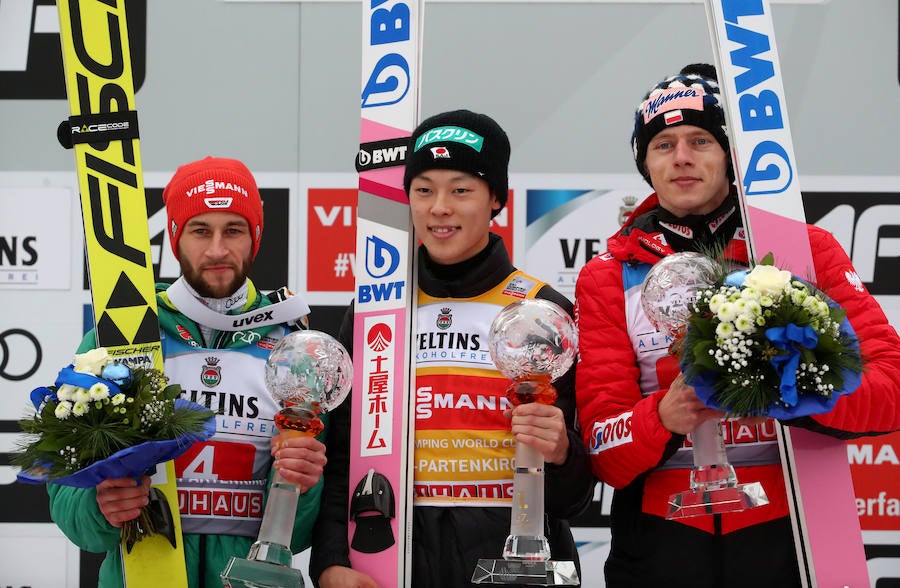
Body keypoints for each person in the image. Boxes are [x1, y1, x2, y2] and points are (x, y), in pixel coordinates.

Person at [574, 63, 900, 587]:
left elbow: (891, 389)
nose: (681, 157)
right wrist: (663, 414)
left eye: (700, 139)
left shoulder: (803, 251)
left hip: (791, 535)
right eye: (662, 144)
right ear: (645, 165)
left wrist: (784, 385)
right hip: (661, 543)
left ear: (729, 154)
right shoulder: (608, 276)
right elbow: (602, 449)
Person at [310, 110, 595, 587]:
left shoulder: (542, 309)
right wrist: (331, 560)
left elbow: (575, 497)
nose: (439, 207)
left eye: (461, 189)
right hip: (392, 561)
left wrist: (563, 453)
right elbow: (341, 453)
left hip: (512, 565)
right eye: (423, 190)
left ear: (496, 200)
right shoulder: (376, 309)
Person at [47, 156, 327, 587]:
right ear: (175, 237)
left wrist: (302, 488)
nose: (217, 250)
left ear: (255, 237)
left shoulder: (294, 347)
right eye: (200, 230)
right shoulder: (122, 335)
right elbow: (66, 499)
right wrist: (98, 507)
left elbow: (300, 534)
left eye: (233, 230)